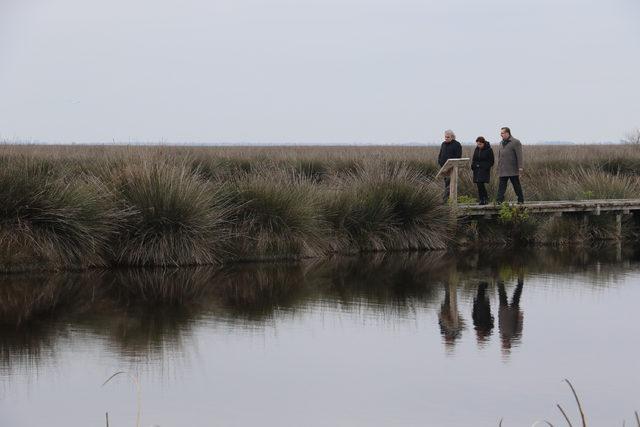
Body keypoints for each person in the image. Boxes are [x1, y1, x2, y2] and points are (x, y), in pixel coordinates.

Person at [496, 127, 525, 204]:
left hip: (513, 169)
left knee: (516, 186)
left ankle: (521, 200)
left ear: (507, 133)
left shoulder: (516, 142)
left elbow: (519, 156)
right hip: (503, 169)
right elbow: (499, 156)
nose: (501, 134)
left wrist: (520, 168)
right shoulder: (501, 143)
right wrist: (498, 167)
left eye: (502, 133)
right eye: (501, 133)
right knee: (501, 186)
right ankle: (499, 201)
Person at [437, 129, 462, 202]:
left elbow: (458, 156)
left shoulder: (457, 144)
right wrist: (440, 162)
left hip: (452, 169)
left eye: (448, 137)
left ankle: (446, 200)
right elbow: (440, 155)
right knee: (446, 184)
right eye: (445, 137)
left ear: (452, 137)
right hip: (444, 168)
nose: (446, 138)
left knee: (451, 184)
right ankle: (447, 200)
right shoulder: (443, 144)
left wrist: (451, 165)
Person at [471, 136, 494, 205]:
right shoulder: (476, 149)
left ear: (483, 143)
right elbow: (474, 159)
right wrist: (473, 166)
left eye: (480, 144)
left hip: (484, 170)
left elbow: (491, 161)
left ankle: (485, 199)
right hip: (477, 170)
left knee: (481, 184)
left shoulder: (489, 149)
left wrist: (485, 167)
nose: (479, 145)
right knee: (478, 184)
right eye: (477, 144)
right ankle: (481, 199)